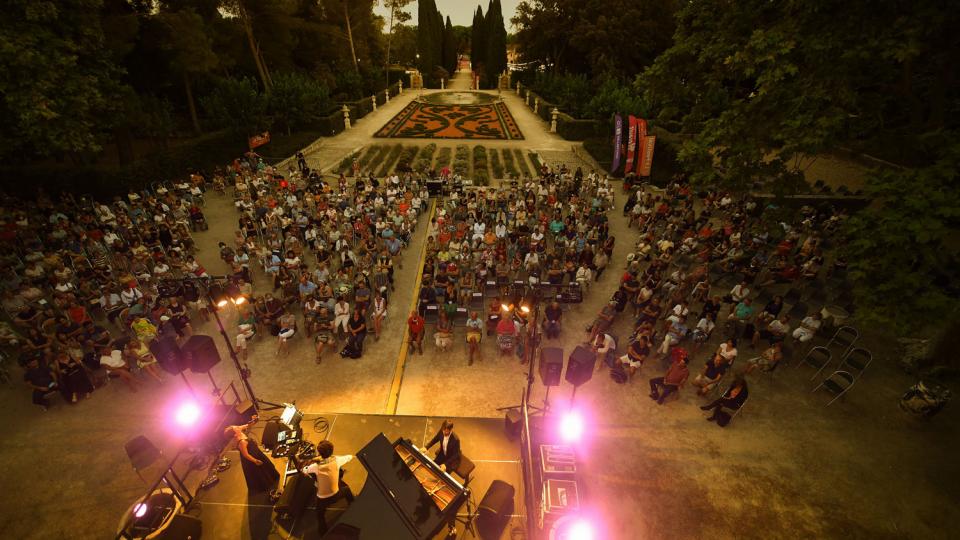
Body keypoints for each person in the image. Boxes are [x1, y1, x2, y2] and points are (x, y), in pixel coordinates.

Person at [302, 440, 355, 535]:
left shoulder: (315, 467)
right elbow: (347, 457)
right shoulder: (337, 460)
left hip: (322, 500)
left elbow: (304, 471)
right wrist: (352, 456)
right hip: (336, 494)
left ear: (319, 453)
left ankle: (323, 532)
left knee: (320, 515)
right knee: (346, 490)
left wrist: (306, 465)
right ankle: (353, 503)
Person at [224, 417, 280, 492]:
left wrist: (255, 419)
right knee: (260, 472)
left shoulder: (238, 430)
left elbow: (248, 425)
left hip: (255, 452)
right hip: (252, 457)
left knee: (266, 466)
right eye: (236, 428)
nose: (238, 427)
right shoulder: (241, 442)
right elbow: (246, 455)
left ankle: (272, 477)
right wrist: (255, 461)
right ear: (235, 434)